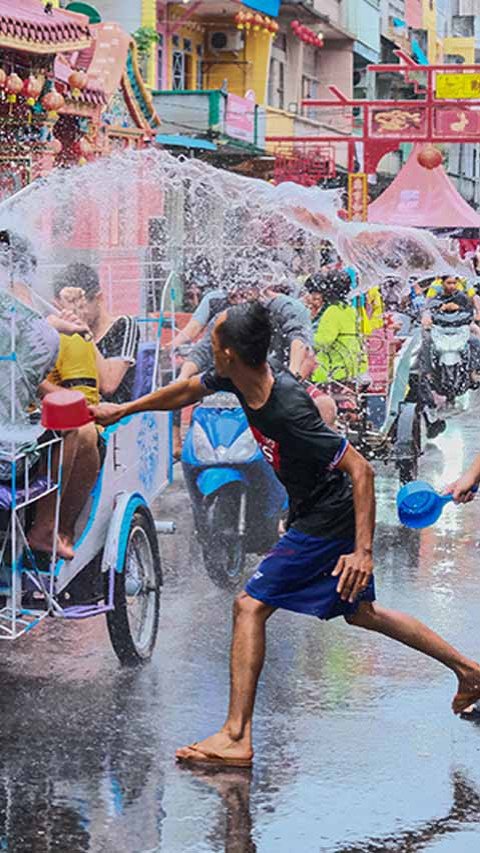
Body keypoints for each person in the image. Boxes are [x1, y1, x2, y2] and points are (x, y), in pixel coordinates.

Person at [91, 302, 480, 767]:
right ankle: (469, 671)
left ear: (231, 353)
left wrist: (363, 552)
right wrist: (126, 409)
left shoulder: (289, 409)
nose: (208, 350)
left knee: (249, 606)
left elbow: (361, 471)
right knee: (362, 614)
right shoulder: (241, 376)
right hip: (313, 512)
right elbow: (187, 390)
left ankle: (236, 735)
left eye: (214, 343)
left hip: (329, 518)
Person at [0, 234, 100, 561]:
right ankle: (45, 527)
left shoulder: (25, 320)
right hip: (8, 450)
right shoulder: (31, 325)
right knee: (71, 425)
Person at [53, 264, 140, 405]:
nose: (68, 314)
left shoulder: (123, 325)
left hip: (111, 414)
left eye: (80, 306)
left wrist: (83, 331)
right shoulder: (64, 330)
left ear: (99, 298)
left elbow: (109, 385)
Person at [302, 271, 367, 384]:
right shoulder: (349, 309)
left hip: (333, 369)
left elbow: (324, 341)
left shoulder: (332, 311)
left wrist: (304, 339)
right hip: (351, 366)